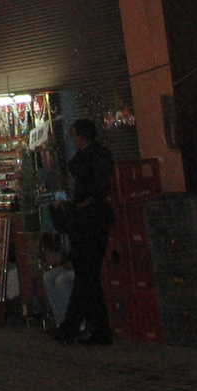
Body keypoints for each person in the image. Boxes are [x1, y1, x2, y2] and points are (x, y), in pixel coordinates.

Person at [53, 119, 116, 345]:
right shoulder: (100, 155)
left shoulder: (89, 158)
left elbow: (87, 181)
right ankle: (96, 330)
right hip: (94, 222)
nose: (74, 141)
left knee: (86, 278)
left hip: (89, 225)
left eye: (75, 136)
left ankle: (73, 328)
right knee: (88, 280)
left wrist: (80, 203)